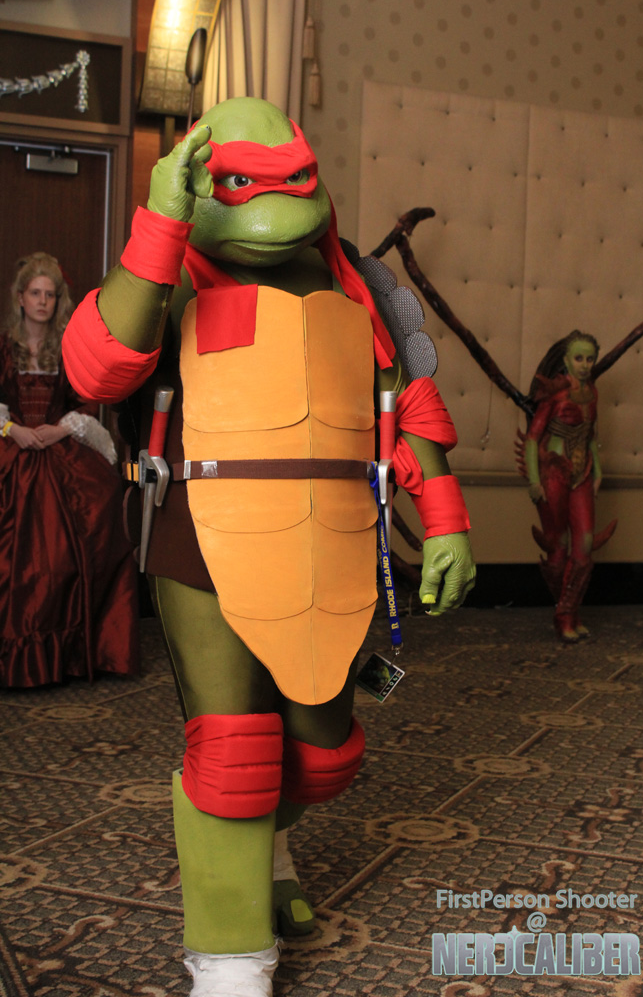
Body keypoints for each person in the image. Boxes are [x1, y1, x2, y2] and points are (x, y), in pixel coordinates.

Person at [62, 98, 476, 996]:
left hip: (335, 540)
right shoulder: (170, 270)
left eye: (293, 179)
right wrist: (159, 225)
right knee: (232, 746)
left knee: (325, 747)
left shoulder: (358, 283)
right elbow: (96, 366)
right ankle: (229, 961)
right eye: (245, 183)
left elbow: (409, 399)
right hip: (202, 537)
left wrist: (444, 518)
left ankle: (269, 851)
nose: (272, 203)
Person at [0, 252, 139, 688]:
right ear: (20, 298)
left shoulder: (66, 347)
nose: (43, 301)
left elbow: (84, 402)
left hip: (58, 447)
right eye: (35, 293)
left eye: (50, 294)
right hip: (11, 446)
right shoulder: (3, 347)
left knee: (97, 513)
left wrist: (60, 430)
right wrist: (12, 429)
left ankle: (71, 654)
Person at [523, 329, 608, 643]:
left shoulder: (593, 393)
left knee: (583, 544)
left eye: (590, 359)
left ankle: (568, 613)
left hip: (582, 474)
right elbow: (533, 439)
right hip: (554, 474)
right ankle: (565, 617)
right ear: (567, 361)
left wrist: (597, 471)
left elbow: (590, 434)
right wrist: (535, 480)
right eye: (579, 358)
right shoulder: (554, 394)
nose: (585, 365)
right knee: (557, 546)